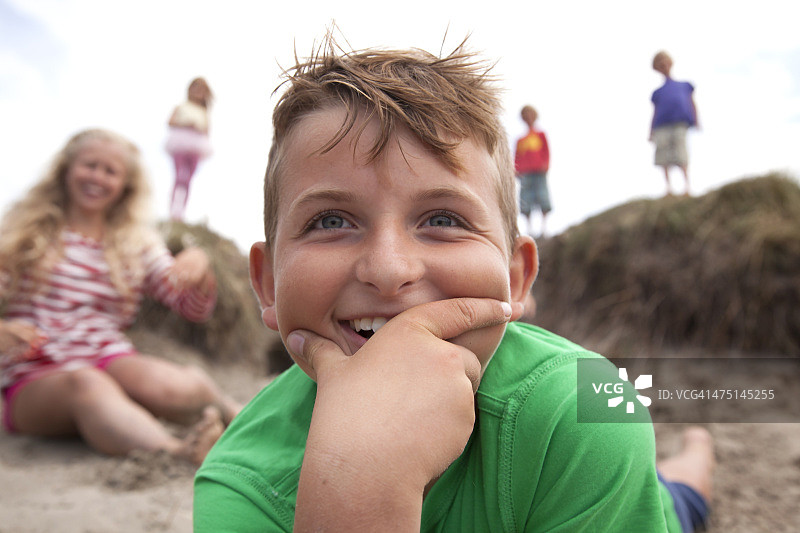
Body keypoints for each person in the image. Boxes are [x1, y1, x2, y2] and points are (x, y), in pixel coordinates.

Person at [194, 36, 713, 532]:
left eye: (442, 219)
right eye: (331, 222)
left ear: (515, 279)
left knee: (686, 494)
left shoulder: (587, 411)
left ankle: (697, 447)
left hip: (637, 507)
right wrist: (358, 488)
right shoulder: (239, 484)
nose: (390, 268)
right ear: (267, 284)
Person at [0, 128, 240, 465]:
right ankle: (177, 451)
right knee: (87, 383)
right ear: (67, 169)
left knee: (172, 385)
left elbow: (188, 306)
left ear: (124, 185)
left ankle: (234, 412)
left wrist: (199, 269)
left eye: (110, 171)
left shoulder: (135, 241)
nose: (97, 177)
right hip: (34, 373)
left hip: (108, 356)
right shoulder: (26, 231)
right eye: (90, 165)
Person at [650, 51, 698, 196]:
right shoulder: (657, 93)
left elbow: (692, 103)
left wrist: (696, 119)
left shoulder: (684, 86)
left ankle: (687, 187)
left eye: (665, 62)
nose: (663, 66)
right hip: (661, 126)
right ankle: (668, 188)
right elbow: (655, 112)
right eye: (660, 64)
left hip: (680, 123)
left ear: (670, 63)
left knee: (681, 153)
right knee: (663, 155)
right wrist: (650, 131)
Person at [165, 77, 213, 220]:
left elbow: (207, 131)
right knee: (179, 176)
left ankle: (181, 211)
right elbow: (170, 122)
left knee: (188, 180)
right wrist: (186, 123)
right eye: (195, 88)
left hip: (197, 147)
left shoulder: (204, 112)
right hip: (180, 143)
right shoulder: (181, 107)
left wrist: (198, 127)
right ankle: (173, 210)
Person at [514, 105, 551, 238]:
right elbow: (517, 157)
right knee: (526, 200)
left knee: (543, 197)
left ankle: (544, 228)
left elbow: (546, 151)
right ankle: (529, 230)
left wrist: (546, 164)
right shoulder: (520, 140)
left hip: (539, 170)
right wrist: (516, 169)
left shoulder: (540, 135)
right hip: (525, 173)